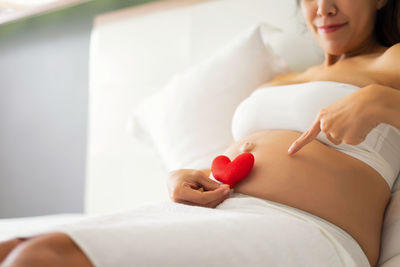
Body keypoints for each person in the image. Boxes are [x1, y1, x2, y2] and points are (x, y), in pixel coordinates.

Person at [1, 0, 399, 266]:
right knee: (12, 250)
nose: (324, 8)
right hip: (217, 213)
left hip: (308, 230)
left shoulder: (389, 61)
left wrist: (380, 101)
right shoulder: (285, 78)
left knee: (42, 258)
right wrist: (185, 175)